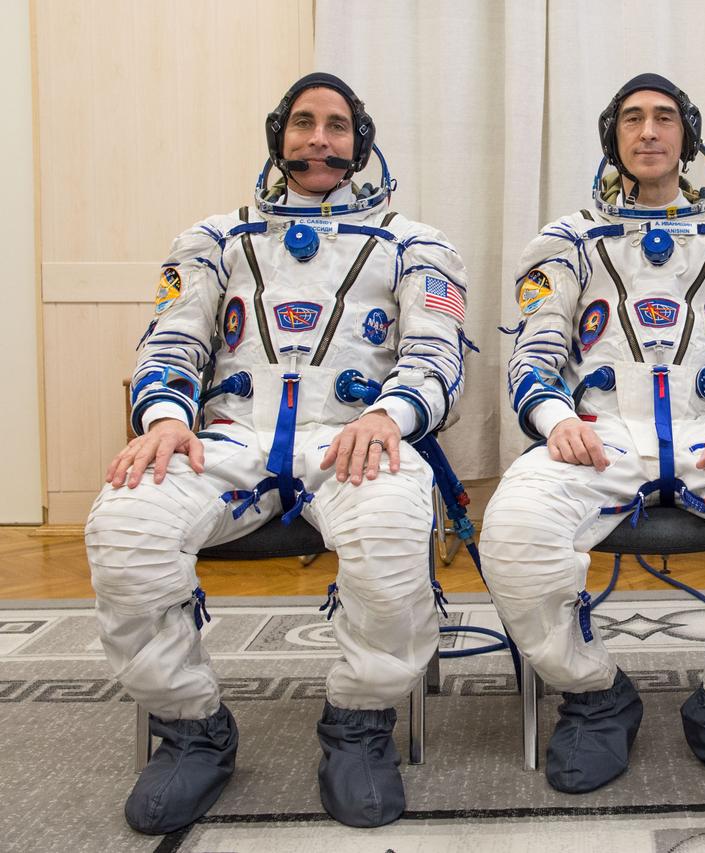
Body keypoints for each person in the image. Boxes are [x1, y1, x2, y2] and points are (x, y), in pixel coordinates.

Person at [85, 73, 470, 832]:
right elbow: (170, 343)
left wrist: (392, 414)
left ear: (360, 143)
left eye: (335, 126)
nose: (318, 140)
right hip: (229, 441)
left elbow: (437, 357)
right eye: (302, 123)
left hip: (354, 440)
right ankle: (193, 728)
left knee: (393, 536)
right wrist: (164, 417)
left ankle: (358, 724)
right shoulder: (211, 240)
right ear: (278, 136)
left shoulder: (417, 243)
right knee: (125, 528)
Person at [479, 73, 705, 803]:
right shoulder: (568, 240)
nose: (649, 132)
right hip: (600, 436)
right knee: (514, 531)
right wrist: (557, 423)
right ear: (614, 137)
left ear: (689, 135)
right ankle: (595, 694)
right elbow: (534, 353)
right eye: (634, 119)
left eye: (666, 119)